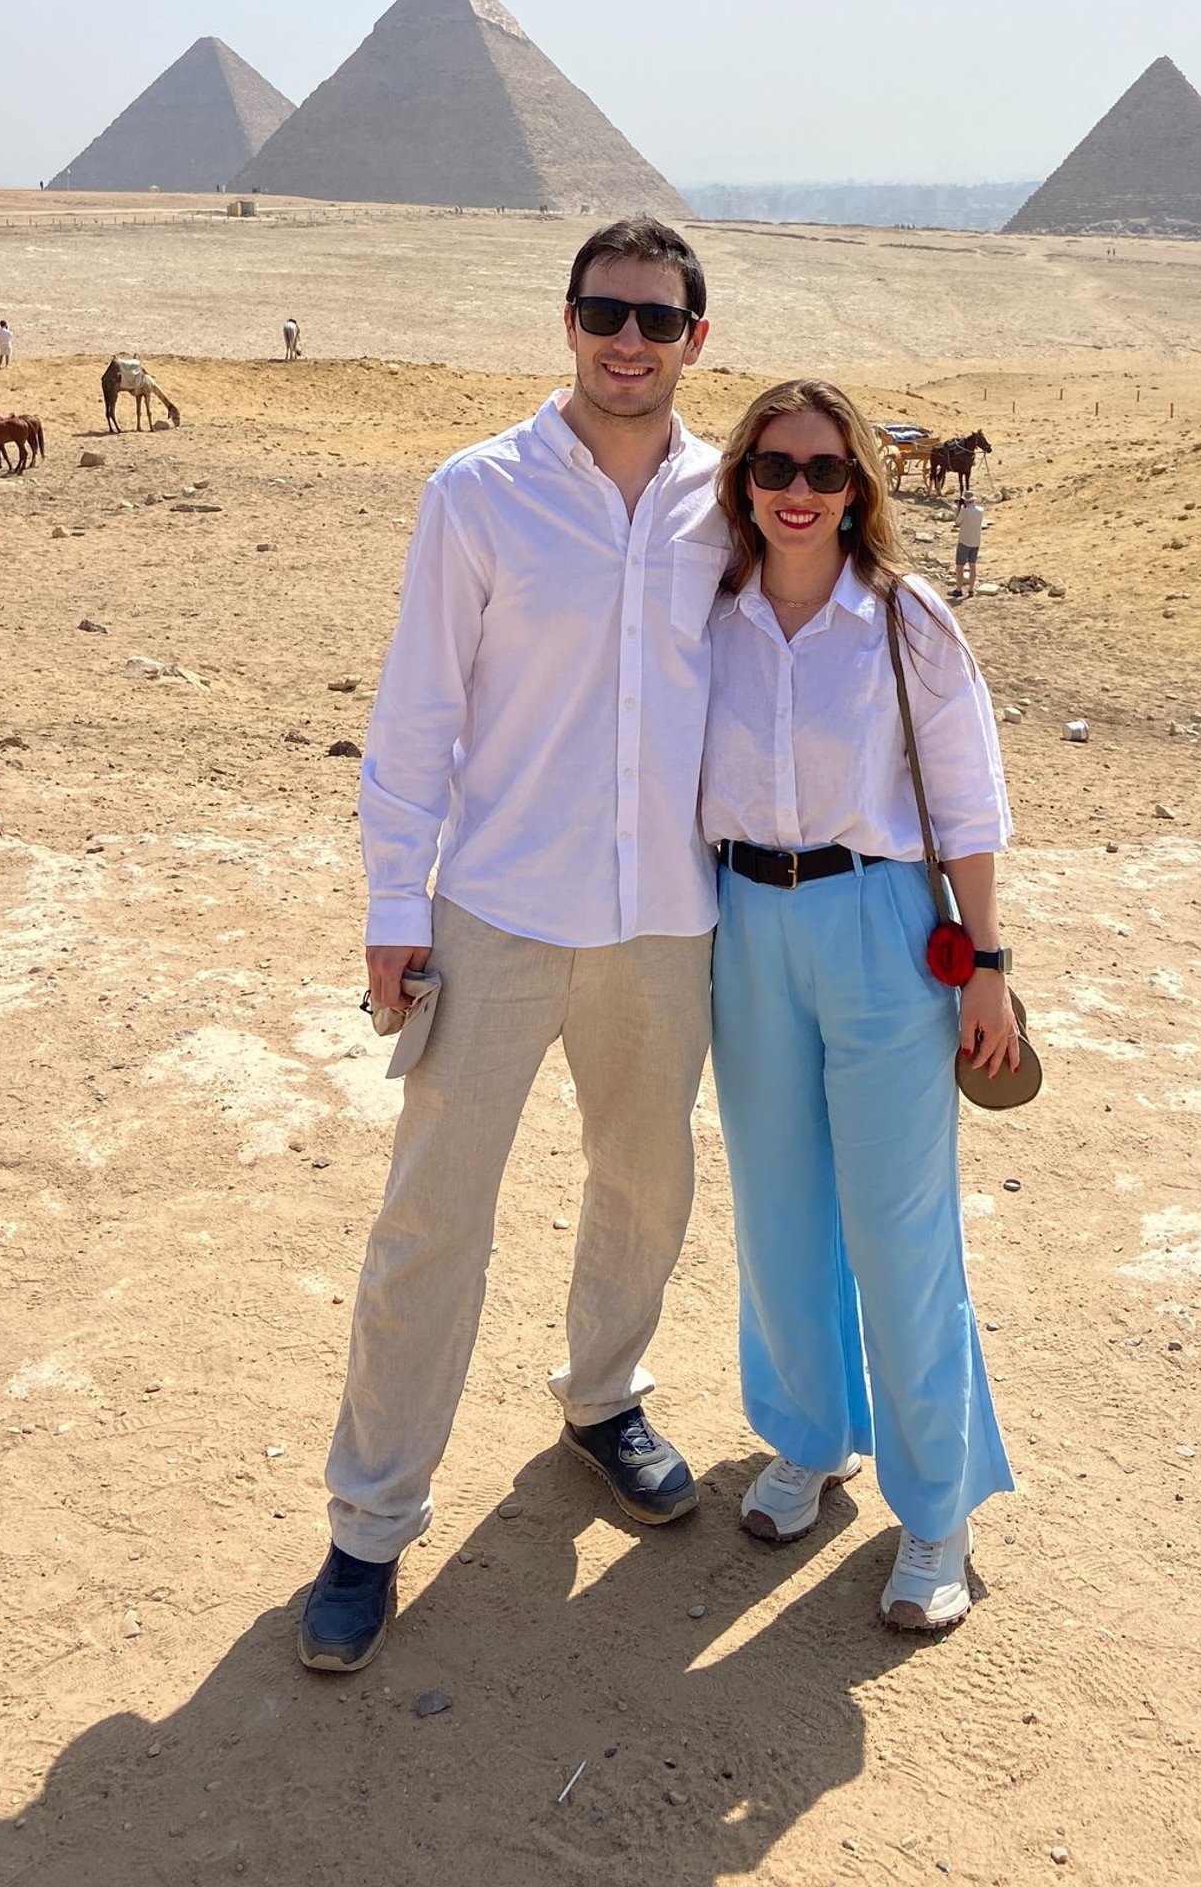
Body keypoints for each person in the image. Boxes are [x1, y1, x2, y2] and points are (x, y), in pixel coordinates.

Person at [298, 217, 730, 1676]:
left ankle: (604, 1397)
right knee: (430, 1220)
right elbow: (418, 709)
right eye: (606, 311)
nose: (629, 339)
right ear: (567, 321)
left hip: (667, 918)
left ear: (694, 340)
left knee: (645, 1187)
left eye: (656, 320)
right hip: (496, 909)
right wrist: (392, 907)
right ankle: (369, 1523)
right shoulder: (477, 492)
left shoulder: (734, 500)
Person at [701, 378, 1018, 1633]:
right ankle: (807, 1435)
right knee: (777, 1205)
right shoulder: (705, 615)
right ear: (743, 480)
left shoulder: (907, 619)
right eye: (774, 466)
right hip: (742, 924)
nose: (798, 491)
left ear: (858, 489)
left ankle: (934, 1507)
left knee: (899, 1226)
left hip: (883, 925)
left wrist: (988, 961)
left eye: (825, 471)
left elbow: (972, 802)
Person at [953, 490, 986, 598]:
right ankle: (971, 589)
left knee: (960, 567)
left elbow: (957, 522)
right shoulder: (980, 510)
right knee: (972, 566)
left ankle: (959, 589)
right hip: (975, 541)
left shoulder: (964, 511)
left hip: (964, 541)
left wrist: (959, 508)